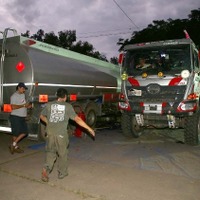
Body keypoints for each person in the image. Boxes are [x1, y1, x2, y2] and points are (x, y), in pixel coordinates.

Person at [40, 88, 95, 182]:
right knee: (62, 154)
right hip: (61, 135)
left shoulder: (49, 105)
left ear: (57, 96)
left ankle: (45, 170)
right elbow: (77, 119)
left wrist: (48, 123)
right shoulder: (68, 106)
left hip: (50, 134)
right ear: (65, 97)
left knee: (50, 153)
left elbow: (41, 116)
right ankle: (62, 173)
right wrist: (89, 129)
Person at [9, 82, 32, 154]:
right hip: (15, 117)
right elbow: (13, 107)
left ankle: (13, 144)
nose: (24, 90)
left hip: (22, 117)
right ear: (18, 88)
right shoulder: (14, 96)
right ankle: (15, 147)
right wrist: (23, 106)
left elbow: (24, 104)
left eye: (24, 89)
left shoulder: (23, 95)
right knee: (15, 133)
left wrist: (28, 106)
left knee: (25, 132)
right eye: (23, 88)